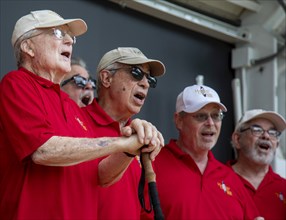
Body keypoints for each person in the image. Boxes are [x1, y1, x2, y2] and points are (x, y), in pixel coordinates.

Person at [0, 10, 163, 220]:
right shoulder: (17, 83)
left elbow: (101, 177)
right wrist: (120, 143)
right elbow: (42, 150)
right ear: (28, 47)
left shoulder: (72, 106)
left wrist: (130, 148)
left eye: (71, 37)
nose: (69, 41)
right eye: (58, 33)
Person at [142, 84, 263, 220]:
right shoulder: (151, 164)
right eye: (201, 116)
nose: (210, 123)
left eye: (216, 116)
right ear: (179, 121)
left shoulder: (231, 178)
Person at [82, 47, 166, 220]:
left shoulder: (142, 137)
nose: (146, 83)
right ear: (106, 78)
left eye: (149, 78)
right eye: (136, 73)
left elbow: (144, 211)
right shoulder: (76, 121)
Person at [229, 109, 286, 220]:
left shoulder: (283, 187)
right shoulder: (216, 181)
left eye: (273, 132)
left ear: (277, 145)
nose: (266, 136)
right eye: (257, 130)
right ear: (237, 139)